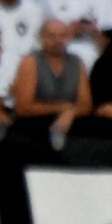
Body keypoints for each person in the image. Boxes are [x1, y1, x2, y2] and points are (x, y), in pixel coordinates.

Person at [12, 19, 93, 151]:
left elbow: (86, 104)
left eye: (62, 35)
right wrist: (61, 108)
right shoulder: (30, 62)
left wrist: (70, 113)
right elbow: (23, 108)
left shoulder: (77, 62)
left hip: (67, 124)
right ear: (41, 38)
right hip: (34, 125)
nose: (57, 40)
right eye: (51, 36)